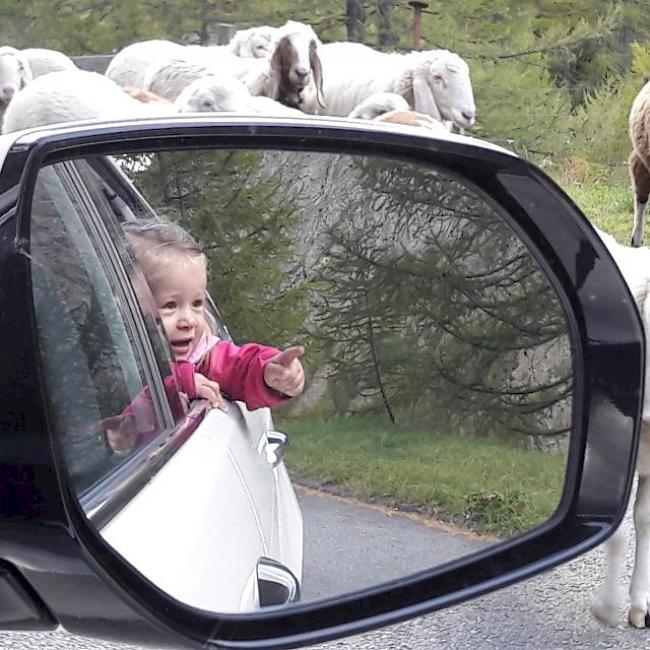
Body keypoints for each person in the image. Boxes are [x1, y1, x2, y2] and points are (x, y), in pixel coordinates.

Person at [104, 219, 305, 454]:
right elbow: (133, 399)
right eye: (170, 305)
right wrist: (124, 429)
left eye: (197, 303)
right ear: (129, 311)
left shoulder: (204, 359)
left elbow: (238, 365)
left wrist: (269, 371)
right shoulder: (114, 357)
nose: (188, 320)